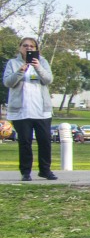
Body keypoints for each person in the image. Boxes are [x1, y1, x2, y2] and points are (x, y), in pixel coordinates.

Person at [4, 37, 56, 181]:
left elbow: (48, 80)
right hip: (22, 111)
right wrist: (20, 71)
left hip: (41, 111)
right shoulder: (13, 63)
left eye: (32, 46)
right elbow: (8, 82)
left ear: (36, 49)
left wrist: (37, 66)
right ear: (20, 47)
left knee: (44, 141)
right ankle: (26, 172)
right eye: (25, 46)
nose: (28, 48)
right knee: (25, 142)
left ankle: (45, 170)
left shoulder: (42, 62)